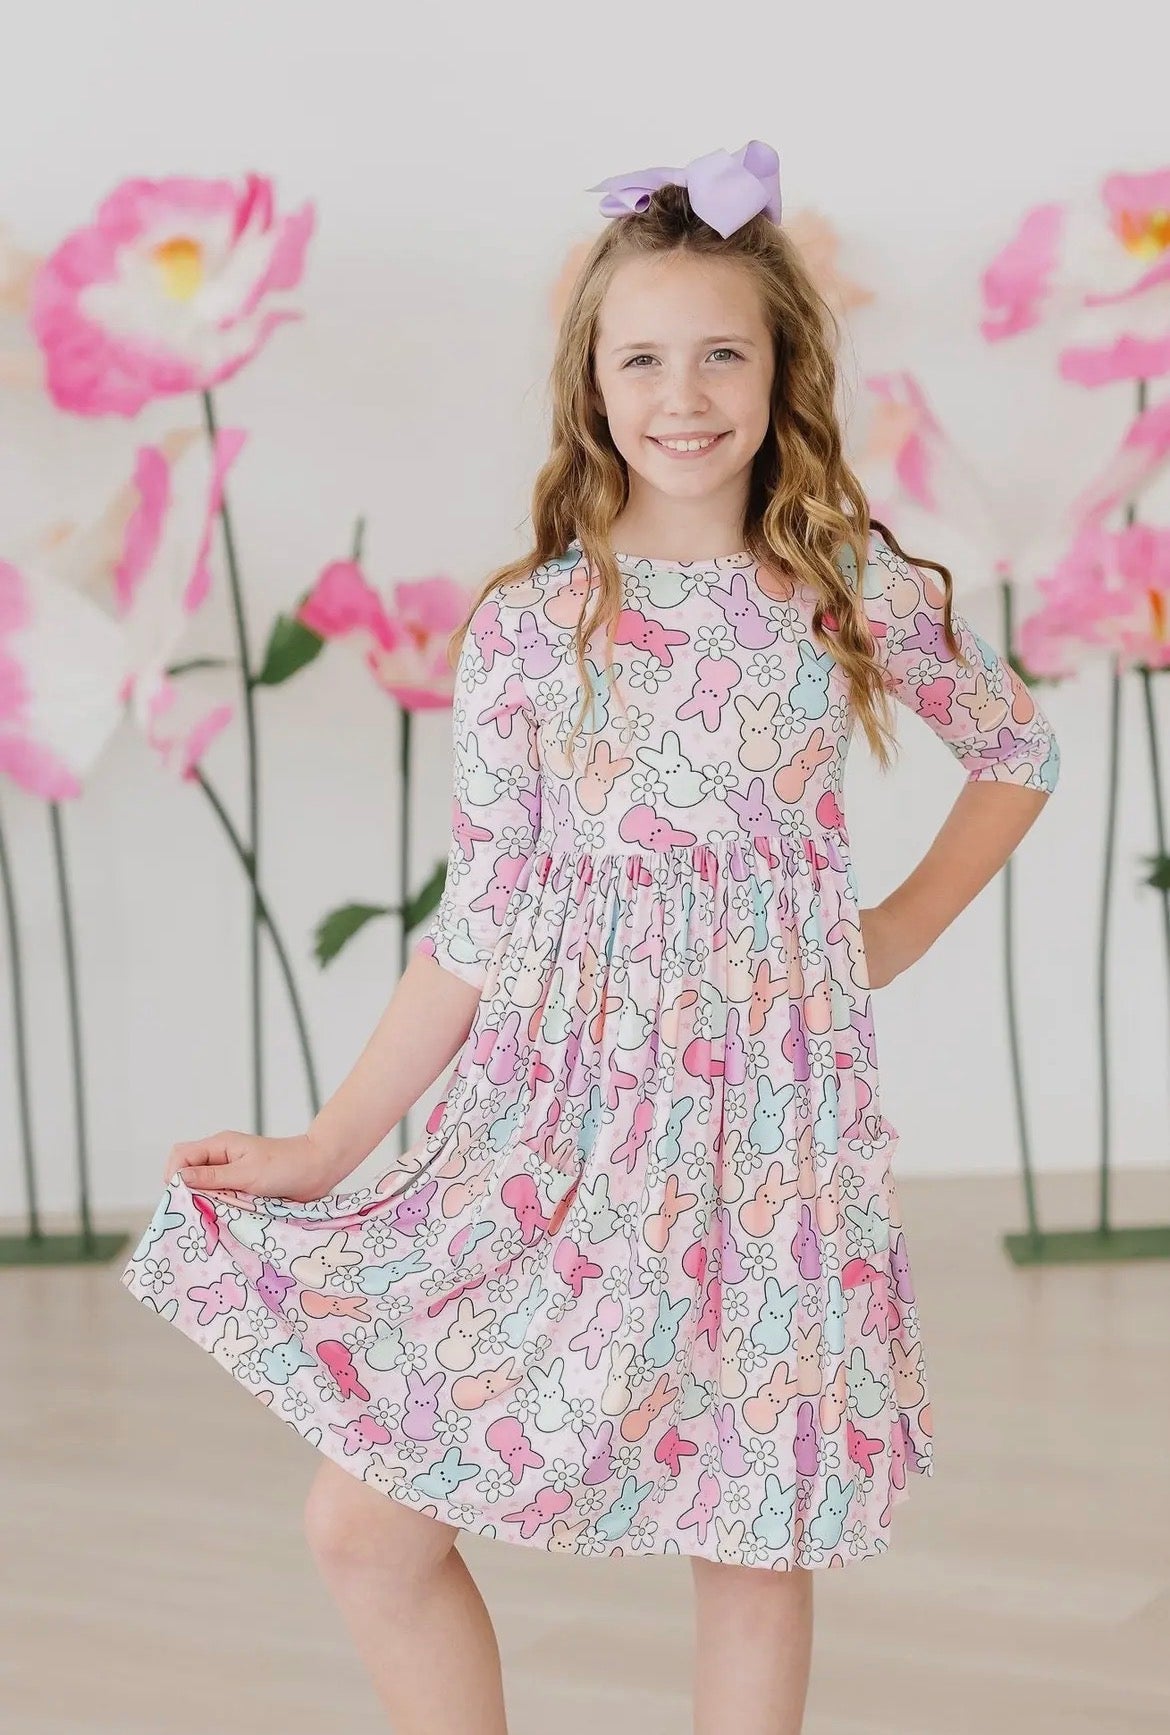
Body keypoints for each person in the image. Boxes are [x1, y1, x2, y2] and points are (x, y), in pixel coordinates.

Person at [121, 139, 1060, 1735]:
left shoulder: (836, 584)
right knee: (364, 1524)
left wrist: (889, 928)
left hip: (767, 1135)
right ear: (590, 384)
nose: (682, 393)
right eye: (642, 357)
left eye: (721, 353)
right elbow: (473, 926)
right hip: (553, 1135)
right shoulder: (534, 627)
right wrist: (327, 1146)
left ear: (780, 373)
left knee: (750, 1533)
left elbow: (1016, 748)